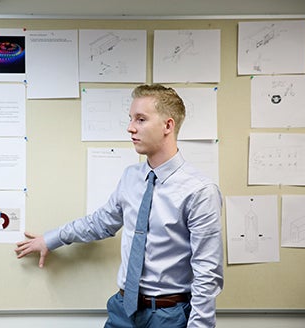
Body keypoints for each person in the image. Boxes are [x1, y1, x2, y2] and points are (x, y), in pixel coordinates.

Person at [15, 84, 223, 328]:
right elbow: (100, 223)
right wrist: (50, 239)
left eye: (141, 119)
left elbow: (207, 273)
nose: (130, 127)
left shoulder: (199, 191)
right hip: (123, 310)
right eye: (131, 119)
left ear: (168, 125)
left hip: (169, 316)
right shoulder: (131, 177)